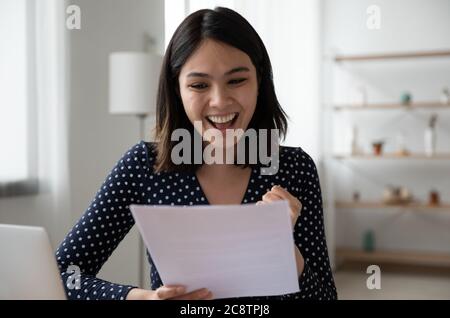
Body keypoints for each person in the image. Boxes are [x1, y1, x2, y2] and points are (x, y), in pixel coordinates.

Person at [56, 7, 337, 300]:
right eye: (199, 85)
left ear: (259, 83)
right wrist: (143, 298)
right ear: (177, 90)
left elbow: (326, 297)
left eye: (236, 80)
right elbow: (63, 275)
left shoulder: (294, 169)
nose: (219, 101)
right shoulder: (144, 165)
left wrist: (283, 249)